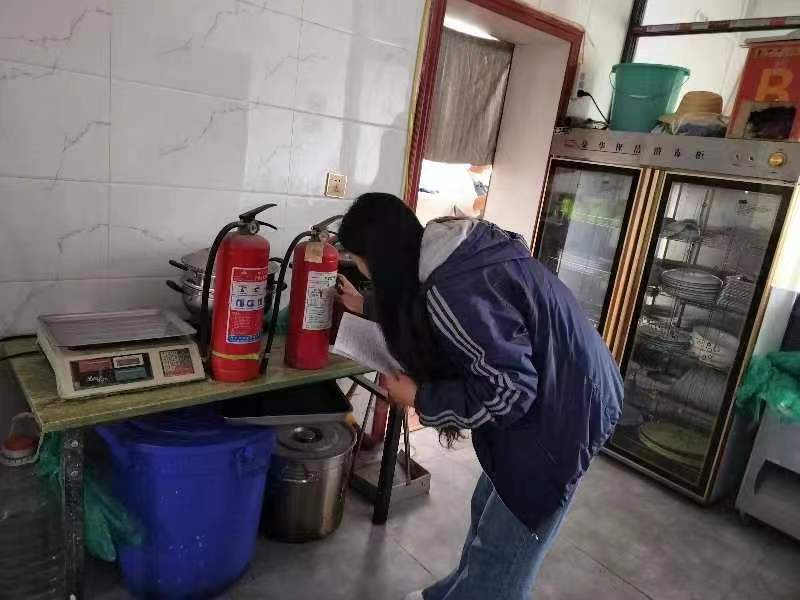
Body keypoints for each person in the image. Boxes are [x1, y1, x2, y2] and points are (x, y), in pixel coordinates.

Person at [335, 193, 623, 600]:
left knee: (505, 551)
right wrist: (366, 305)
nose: (363, 272)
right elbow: (425, 306)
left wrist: (421, 397)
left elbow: (510, 392)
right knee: (487, 512)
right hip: (563, 385)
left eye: (361, 263)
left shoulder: (452, 288)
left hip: (564, 410)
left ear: (380, 259)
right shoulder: (446, 248)